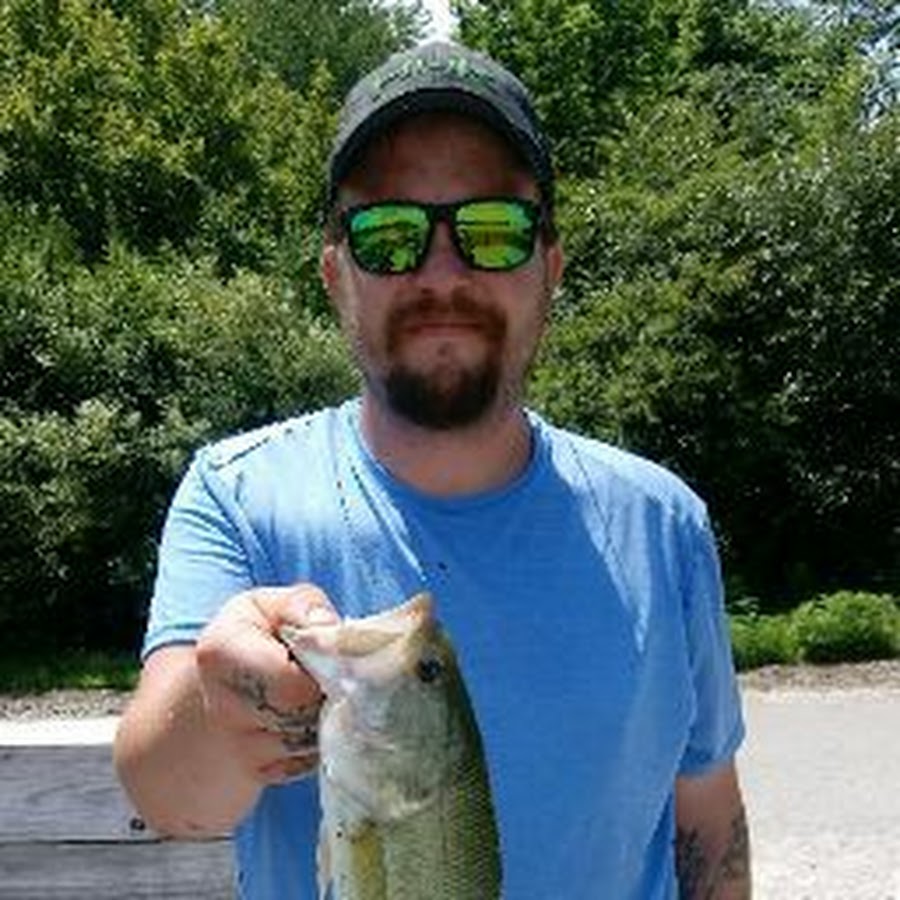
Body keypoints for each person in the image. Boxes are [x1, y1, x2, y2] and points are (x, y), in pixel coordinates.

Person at [114, 40, 751, 899]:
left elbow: (708, 817)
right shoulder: (239, 495)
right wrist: (219, 705)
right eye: (389, 235)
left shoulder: (663, 523)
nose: (442, 273)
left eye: (493, 231)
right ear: (335, 276)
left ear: (550, 269)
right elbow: (169, 801)